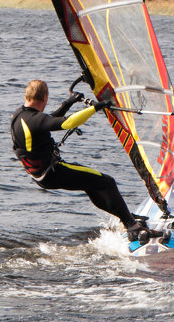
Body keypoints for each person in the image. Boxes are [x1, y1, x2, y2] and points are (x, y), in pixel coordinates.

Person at [10, 79, 157, 242]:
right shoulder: (35, 120)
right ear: (45, 97)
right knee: (107, 182)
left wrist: (68, 103)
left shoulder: (20, 115)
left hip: (41, 175)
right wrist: (96, 107)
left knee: (92, 186)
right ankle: (132, 227)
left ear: (27, 96)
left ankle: (126, 218)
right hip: (54, 172)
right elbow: (67, 122)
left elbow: (47, 121)